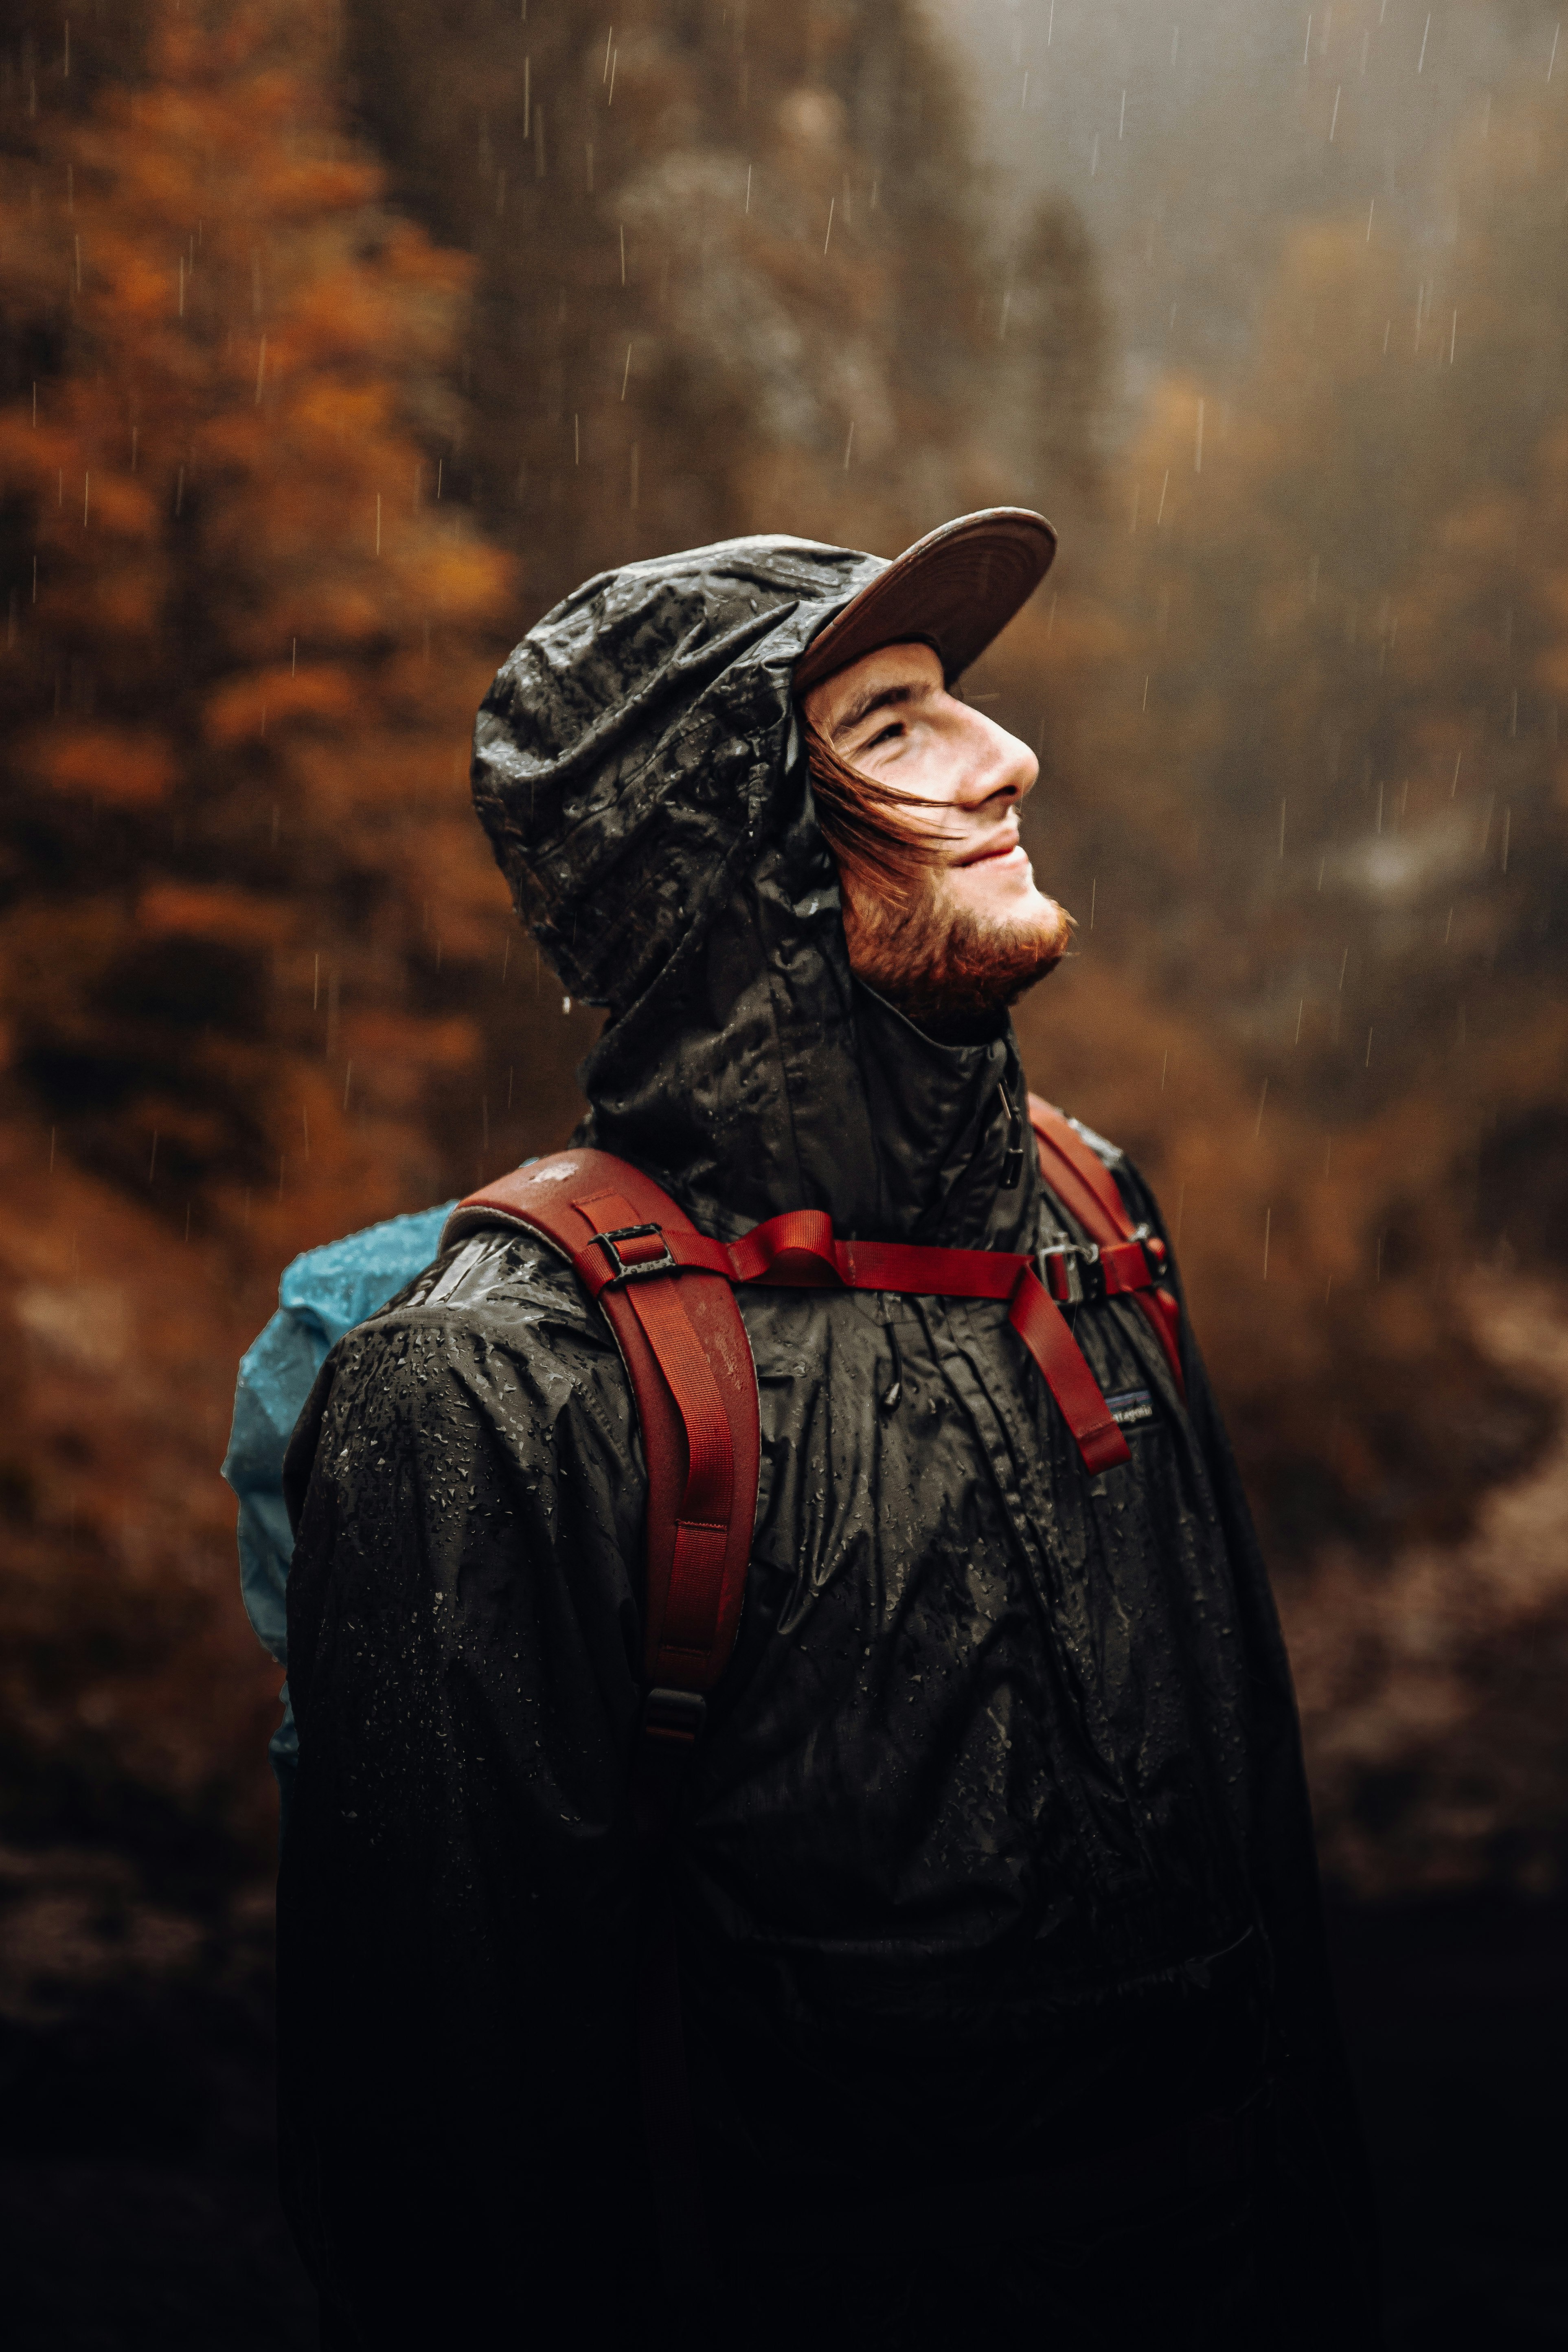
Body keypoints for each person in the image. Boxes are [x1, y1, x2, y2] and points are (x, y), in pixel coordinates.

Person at [265, 511, 1380, 2349]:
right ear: (739, 854)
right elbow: (446, 2180)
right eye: (894, 727)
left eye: (960, 703)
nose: (1007, 753)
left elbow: (1268, 1893)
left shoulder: (1091, 1223)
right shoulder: (491, 1391)